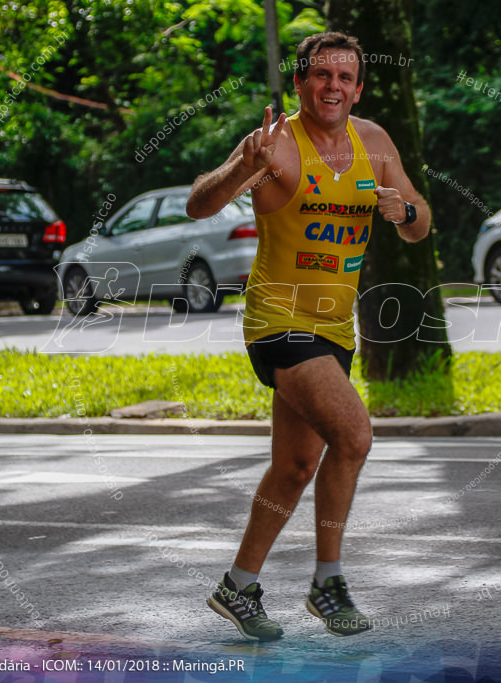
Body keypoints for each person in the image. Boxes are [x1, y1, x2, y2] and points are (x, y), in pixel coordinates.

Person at [186, 31, 431, 641]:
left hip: (334, 329)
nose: (334, 87)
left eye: (345, 78)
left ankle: (238, 585)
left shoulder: (373, 143)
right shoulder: (278, 147)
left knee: (296, 466)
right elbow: (198, 205)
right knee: (354, 435)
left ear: (358, 89)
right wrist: (242, 165)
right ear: (300, 83)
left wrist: (402, 211)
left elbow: (420, 224)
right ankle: (328, 582)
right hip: (279, 324)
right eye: (322, 75)